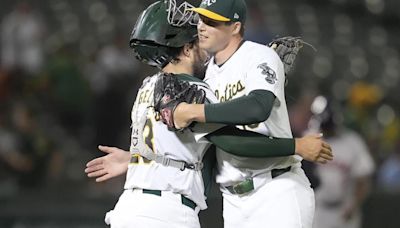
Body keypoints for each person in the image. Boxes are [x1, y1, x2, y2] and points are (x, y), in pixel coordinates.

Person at [85, 1, 332, 227]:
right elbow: (231, 141)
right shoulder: (194, 89)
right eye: (199, 27)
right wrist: (296, 145)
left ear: (235, 27)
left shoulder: (149, 85)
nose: (201, 31)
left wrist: (135, 158)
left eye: (210, 22)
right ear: (185, 48)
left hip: (133, 207)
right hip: (170, 211)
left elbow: (184, 147)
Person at [162, 0, 323, 227]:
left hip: (277, 187)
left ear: (235, 27)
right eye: (200, 19)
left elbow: (257, 107)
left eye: (211, 21)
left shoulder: (258, 56)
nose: (201, 26)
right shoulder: (205, 78)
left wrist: (197, 111)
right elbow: (217, 142)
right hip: (233, 201)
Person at [308, 95, 375, 228]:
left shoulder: (353, 142)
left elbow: (363, 179)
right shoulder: (308, 139)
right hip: (317, 209)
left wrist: (354, 205)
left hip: (344, 209)